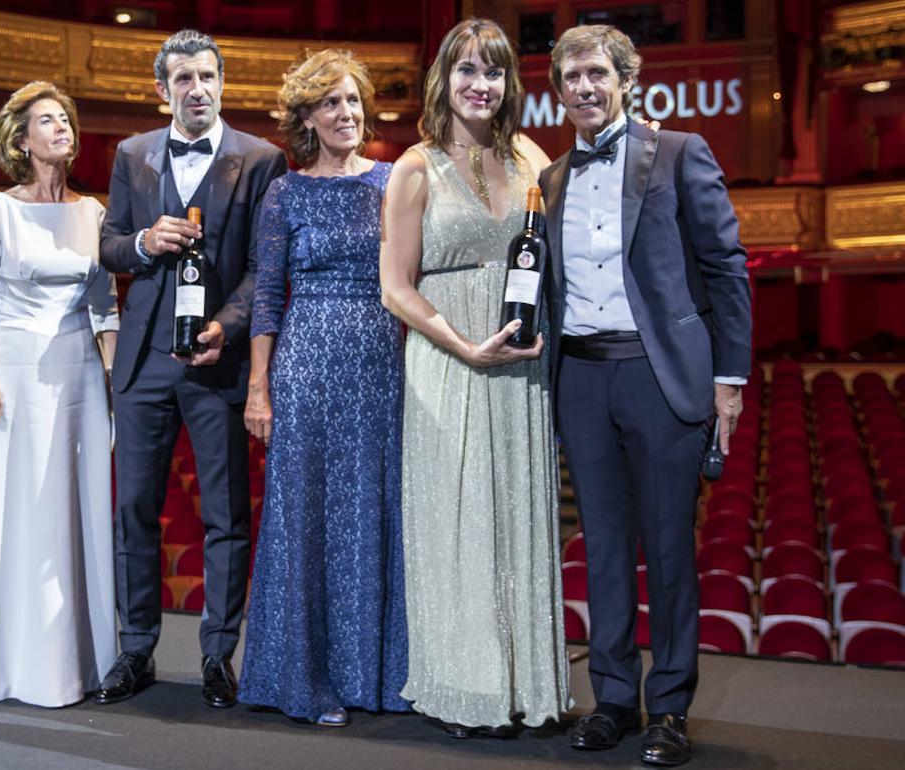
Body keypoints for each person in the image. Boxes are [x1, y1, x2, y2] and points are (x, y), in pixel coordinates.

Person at [539, 24, 751, 767]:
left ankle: (669, 709)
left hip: (662, 376)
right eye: (571, 77)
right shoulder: (555, 175)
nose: (584, 88)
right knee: (600, 549)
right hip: (583, 378)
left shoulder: (681, 153)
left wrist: (731, 379)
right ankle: (612, 701)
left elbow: (726, 268)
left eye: (597, 73)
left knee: (667, 550)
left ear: (626, 78)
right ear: (558, 89)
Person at [379, 18, 570, 737]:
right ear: (443, 81)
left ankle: (526, 685)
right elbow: (394, 286)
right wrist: (463, 344)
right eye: (466, 70)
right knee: (455, 524)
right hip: (446, 361)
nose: (479, 85)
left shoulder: (531, 157)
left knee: (515, 516)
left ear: (509, 84)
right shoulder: (414, 166)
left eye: (492, 72)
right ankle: (463, 688)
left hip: (522, 367)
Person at [93, 29, 287, 709]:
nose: (197, 89)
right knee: (134, 510)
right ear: (162, 89)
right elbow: (110, 248)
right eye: (183, 79)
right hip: (143, 360)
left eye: (207, 76)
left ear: (223, 82)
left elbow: (266, 270)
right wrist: (145, 241)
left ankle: (215, 655)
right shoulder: (131, 154)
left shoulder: (261, 159)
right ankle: (136, 649)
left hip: (218, 363)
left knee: (226, 515)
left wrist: (225, 328)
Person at [237, 49, 408, 728]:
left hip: (378, 366)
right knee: (304, 519)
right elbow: (267, 297)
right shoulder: (286, 191)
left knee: (374, 512)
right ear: (307, 115)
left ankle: (377, 677)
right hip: (304, 366)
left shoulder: (395, 180)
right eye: (331, 102)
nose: (347, 113)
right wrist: (259, 387)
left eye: (354, 101)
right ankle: (304, 682)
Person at [0, 82, 119, 707]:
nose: (62, 126)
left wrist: (115, 381)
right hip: (10, 372)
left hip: (80, 377)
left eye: (66, 117)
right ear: (22, 139)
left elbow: (105, 305)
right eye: (48, 119)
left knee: (71, 510)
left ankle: (71, 665)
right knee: (5, 514)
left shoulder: (94, 211)